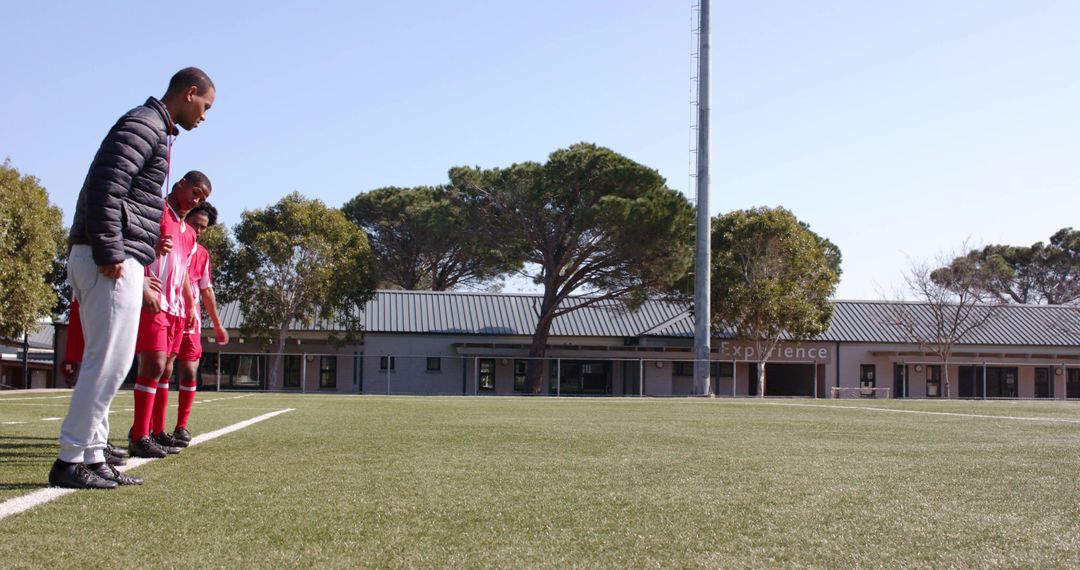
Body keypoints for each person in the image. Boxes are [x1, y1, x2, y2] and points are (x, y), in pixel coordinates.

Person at [50, 67, 215, 490]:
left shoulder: (156, 129)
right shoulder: (144, 124)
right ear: (190, 92)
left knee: (114, 362)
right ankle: (70, 459)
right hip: (109, 256)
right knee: (105, 362)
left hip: (122, 257)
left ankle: (92, 454)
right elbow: (107, 185)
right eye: (205, 106)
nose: (204, 116)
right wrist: (110, 249)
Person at [127, 173, 211, 458]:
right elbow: (130, 242)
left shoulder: (187, 232)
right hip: (154, 299)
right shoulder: (156, 210)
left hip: (176, 307)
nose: (197, 200)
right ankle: (139, 434)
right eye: (196, 193)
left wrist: (189, 304)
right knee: (153, 363)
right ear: (181, 184)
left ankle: (157, 431)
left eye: (202, 198)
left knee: (165, 369)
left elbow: (184, 271)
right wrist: (149, 255)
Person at [172, 202, 229, 445]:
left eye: (203, 227)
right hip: (170, 310)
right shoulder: (173, 242)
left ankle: (181, 426)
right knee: (160, 367)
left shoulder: (203, 254)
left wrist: (217, 324)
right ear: (186, 219)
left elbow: (206, 290)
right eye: (195, 224)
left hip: (191, 320)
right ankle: (147, 428)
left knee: (189, 370)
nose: (198, 230)